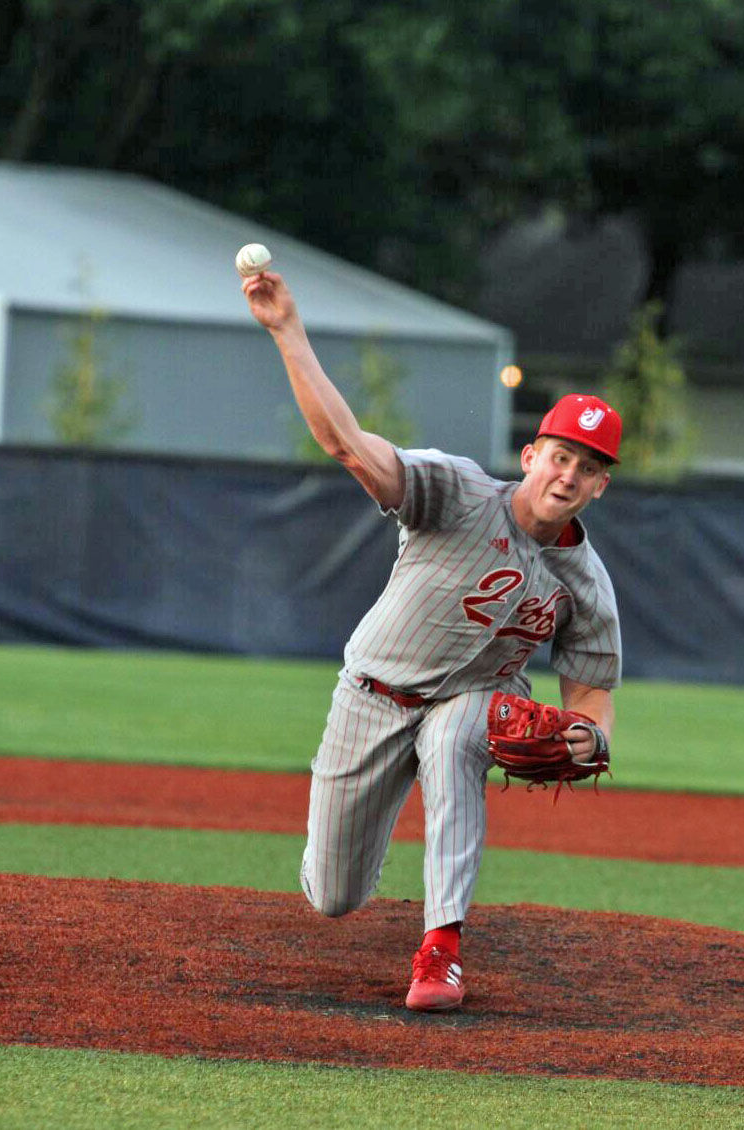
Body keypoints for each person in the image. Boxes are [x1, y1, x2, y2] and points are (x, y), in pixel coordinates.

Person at [239, 264, 622, 1012]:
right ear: (532, 456)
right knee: (332, 895)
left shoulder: (587, 584)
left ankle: (441, 950)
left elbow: (591, 689)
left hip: (474, 703)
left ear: (601, 486)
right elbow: (346, 444)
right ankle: (365, 865)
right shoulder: (452, 491)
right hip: (373, 696)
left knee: (455, 741)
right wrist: (288, 330)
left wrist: (593, 737)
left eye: (589, 468)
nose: (570, 475)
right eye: (562, 456)